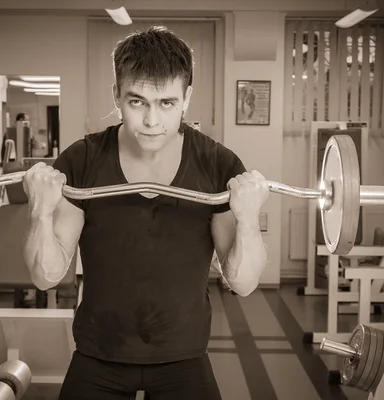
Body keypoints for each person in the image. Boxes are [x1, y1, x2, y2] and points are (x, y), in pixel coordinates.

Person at [22, 26, 270, 399]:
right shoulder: (83, 159)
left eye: (166, 103)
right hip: (98, 354)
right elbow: (46, 277)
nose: (152, 121)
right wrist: (40, 212)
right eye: (137, 102)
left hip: (184, 356)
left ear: (187, 97)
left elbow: (244, 283)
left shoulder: (218, 164)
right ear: (117, 96)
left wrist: (249, 219)